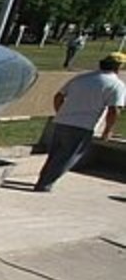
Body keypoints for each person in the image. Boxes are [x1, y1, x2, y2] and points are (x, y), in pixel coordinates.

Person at [34, 53, 125, 191]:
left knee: (55, 155)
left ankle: (43, 179)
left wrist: (61, 113)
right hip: (83, 125)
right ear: (119, 67)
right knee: (67, 157)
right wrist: (108, 130)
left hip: (62, 122)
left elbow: (59, 96)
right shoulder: (116, 85)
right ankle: (44, 184)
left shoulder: (82, 78)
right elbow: (114, 110)